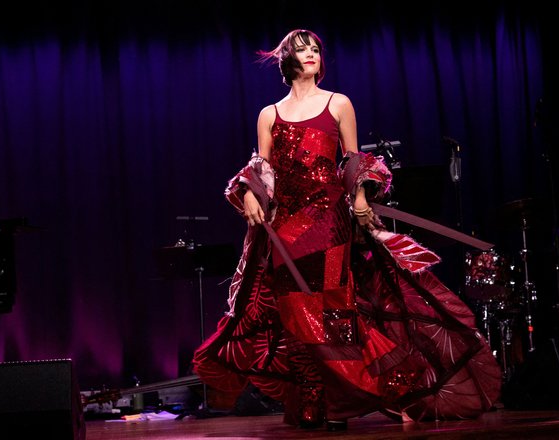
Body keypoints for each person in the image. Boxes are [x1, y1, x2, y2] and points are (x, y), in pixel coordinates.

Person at [193, 29, 501, 431]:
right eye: (302, 50)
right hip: (285, 227)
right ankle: (313, 394)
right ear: (287, 60)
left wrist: (359, 196)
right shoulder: (269, 113)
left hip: (329, 223)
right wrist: (249, 193)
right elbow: (261, 167)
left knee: (335, 311)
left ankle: (376, 389)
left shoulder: (339, 103)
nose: (311, 55)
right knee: (292, 313)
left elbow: (354, 159)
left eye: (316, 49)